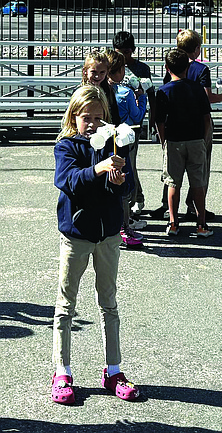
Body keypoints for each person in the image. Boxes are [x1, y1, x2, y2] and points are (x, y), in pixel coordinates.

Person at [51, 85, 139, 404]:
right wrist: (98, 169)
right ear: (74, 117)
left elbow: (126, 185)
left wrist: (120, 182)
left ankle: (113, 370)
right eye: (86, 117)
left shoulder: (114, 142)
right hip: (76, 234)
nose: (92, 124)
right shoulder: (67, 146)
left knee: (109, 302)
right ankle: (62, 371)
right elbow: (68, 181)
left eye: (98, 118)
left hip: (109, 235)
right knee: (66, 304)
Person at [152, 29, 222, 221]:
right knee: (200, 171)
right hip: (196, 125)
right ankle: (194, 208)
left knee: (172, 175)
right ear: (196, 49)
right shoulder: (201, 69)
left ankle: (169, 210)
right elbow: (207, 97)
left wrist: (162, 138)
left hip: (174, 130)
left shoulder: (171, 65)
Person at [155, 48, 213, 238]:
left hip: (174, 141)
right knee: (198, 183)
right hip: (196, 140)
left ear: (166, 68)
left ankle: (173, 222)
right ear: (187, 67)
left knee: (173, 183)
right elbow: (206, 118)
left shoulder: (163, 91)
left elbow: (159, 121)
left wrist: (164, 141)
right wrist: (204, 139)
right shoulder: (196, 88)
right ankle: (201, 224)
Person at [106, 49, 147, 247]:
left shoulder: (103, 91)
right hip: (125, 139)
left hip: (106, 140)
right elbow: (138, 115)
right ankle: (124, 225)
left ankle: (117, 224)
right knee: (125, 182)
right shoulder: (125, 93)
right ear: (120, 70)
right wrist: (142, 96)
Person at [112, 31, 155, 216]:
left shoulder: (142, 69)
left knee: (130, 164)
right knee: (120, 164)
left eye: (127, 53)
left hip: (133, 126)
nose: (124, 57)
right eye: (120, 52)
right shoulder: (111, 66)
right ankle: (130, 200)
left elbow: (150, 92)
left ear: (134, 51)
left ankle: (136, 199)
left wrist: (152, 117)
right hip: (114, 125)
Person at [81, 51, 121, 126]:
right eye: (94, 72)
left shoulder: (108, 91)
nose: (97, 76)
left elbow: (115, 117)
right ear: (85, 71)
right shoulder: (79, 92)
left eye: (102, 72)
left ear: (107, 72)